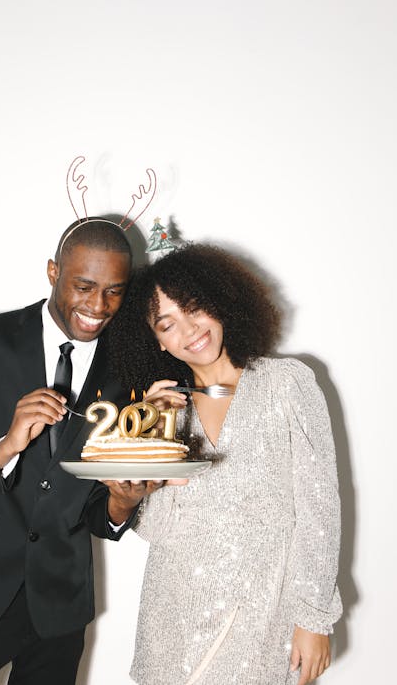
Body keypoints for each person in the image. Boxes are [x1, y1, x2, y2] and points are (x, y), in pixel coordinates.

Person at [0, 217, 164, 685]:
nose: (98, 306)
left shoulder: (128, 366)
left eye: (114, 291)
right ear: (53, 271)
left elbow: (93, 509)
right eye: (84, 286)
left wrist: (123, 503)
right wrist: (5, 447)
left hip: (58, 612)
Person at [109, 243, 342, 685]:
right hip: (173, 614)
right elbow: (154, 530)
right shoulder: (164, 410)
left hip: (262, 614)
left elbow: (319, 511)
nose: (190, 329)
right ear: (155, 340)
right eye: (167, 323)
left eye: (195, 307)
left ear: (219, 301)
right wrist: (150, 434)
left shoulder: (286, 383)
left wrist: (313, 617)